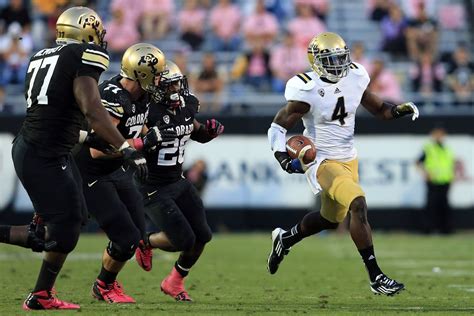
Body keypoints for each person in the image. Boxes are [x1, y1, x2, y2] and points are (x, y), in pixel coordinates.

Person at [3, 6, 148, 310]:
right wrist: (123, 146)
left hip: (41, 147)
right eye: (96, 32)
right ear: (85, 32)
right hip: (43, 154)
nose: (100, 40)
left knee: (66, 223)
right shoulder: (81, 55)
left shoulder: (42, 55)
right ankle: (41, 295)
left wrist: (86, 137)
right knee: (63, 232)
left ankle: (42, 293)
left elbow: (54, 113)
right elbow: (91, 108)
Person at [266, 32, 419, 296]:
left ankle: (285, 238)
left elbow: (379, 109)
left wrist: (398, 110)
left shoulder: (356, 76)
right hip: (321, 160)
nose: (338, 63)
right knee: (357, 203)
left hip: (349, 157)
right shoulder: (306, 89)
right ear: (316, 61)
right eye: (331, 59)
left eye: (340, 57)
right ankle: (376, 276)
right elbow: (278, 126)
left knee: (329, 219)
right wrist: (282, 157)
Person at [74, 43, 174, 304]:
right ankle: (103, 286)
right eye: (157, 73)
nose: (161, 78)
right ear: (141, 74)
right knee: (125, 237)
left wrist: (147, 134)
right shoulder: (113, 96)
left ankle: (106, 280)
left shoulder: (143, 94)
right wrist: (142, 144)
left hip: (116, 168)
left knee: (138, 235)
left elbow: (136, 125)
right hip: (91, 171)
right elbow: (99, 150)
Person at [134, 61, 224, 301]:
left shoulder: (186, 105)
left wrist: (208, 132)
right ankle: (145, 241)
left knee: (203, 236)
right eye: (169, 84)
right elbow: (124, 144)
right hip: (152, 185)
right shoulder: (145, 111)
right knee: (183, 240)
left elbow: (194, 131)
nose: (175, 89)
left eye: (177, 83)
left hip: (177, 180)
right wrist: (143, 142)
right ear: (154, 87)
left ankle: (174, 282)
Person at [416, 127, 455, 234]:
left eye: (441, 134)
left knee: (444, 206)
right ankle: (427, 230)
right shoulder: (429, 149)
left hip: (445, 181)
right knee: (431, 206)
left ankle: (446, 230)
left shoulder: (447, 149)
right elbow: (418, 162)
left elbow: (450, 165)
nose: (439, 137)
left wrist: (452, 177)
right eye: (437, 134)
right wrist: (425, 173)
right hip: (433, 182)